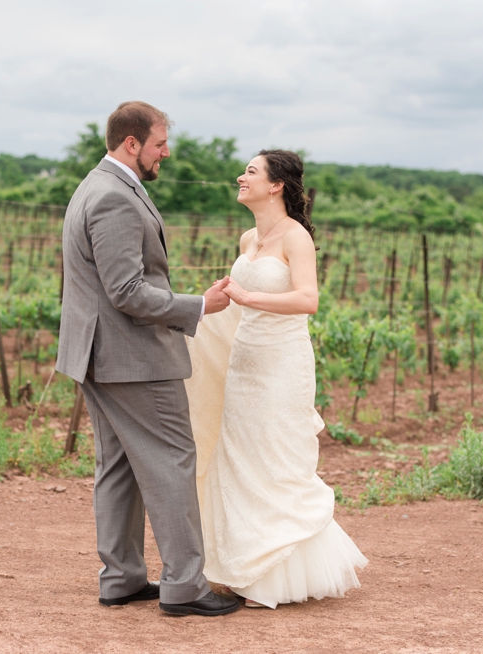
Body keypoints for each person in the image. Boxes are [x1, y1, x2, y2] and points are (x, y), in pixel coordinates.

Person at [56, 101, 241, 616]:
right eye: (160, 144)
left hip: (99, 355)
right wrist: (200, 305)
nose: (166, 153)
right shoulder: (114, 197)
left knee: (117, 466)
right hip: (131, 358)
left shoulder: (94, 186)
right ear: (132, 144)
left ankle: (121, 578)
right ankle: (184, 586)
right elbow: (128, 290)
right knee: (172, 461)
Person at [185, 149, 368, 609]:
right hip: (245, 361)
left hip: (282, 364)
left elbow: (308, 300)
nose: (240, 178)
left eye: (250, 172)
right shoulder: (249, 237)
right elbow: (236, 299)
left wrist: (249, 296)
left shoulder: (295, 238)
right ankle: (243, 566)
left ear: (276, 186)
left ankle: (277, 573)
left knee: (275, 456)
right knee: (241, 456)